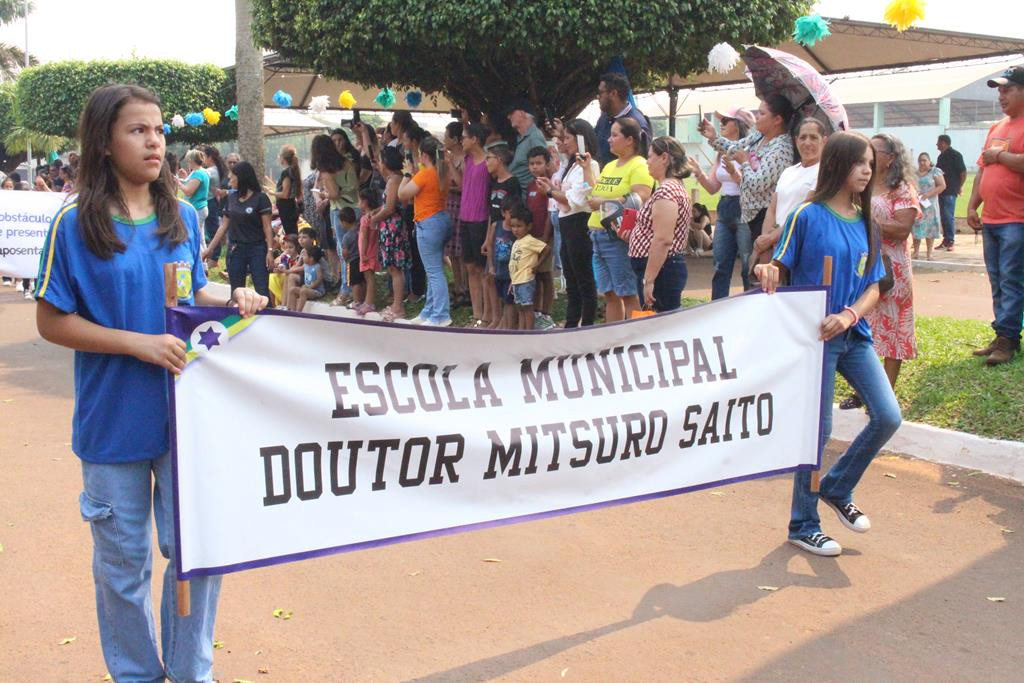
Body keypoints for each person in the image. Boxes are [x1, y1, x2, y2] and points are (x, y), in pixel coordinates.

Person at [34, 82, 267, 682]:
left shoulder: (183, 215)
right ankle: (136, 674)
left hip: (185, 414)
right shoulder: (73, 223)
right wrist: (136, 344)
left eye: (159, 129)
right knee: (123, 562)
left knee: (196, 551)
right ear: (105, 143)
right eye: (138, 130)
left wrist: (234, 297)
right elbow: (51, 320)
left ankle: (192, 671)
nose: (155, 141)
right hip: (112, 419)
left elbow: (193, 290)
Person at [754, 131, 901, 557]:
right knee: (817, 432)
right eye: (859, 163)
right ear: (838, 164)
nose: (867, 171)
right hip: (813, 338)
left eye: (870, 164)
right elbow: (779, 264)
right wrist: (769, 273)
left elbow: (874, 285)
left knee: (888, 416)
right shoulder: (808, 215)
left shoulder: (867, 220)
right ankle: (804, 523)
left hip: (853, 335)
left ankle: (836, 487)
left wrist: (851, 314)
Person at [699, 96, 796, 293]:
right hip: (749, 213)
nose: (757, 118)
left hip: (765, 216)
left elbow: (757, 183)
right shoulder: (758, 137)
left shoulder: (781, 148)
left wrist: (743, 163)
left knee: (756, 268)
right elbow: (735, 148)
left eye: (762, 113)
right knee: (739, 265)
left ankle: (758, 306)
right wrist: (713, 137)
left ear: (777, 119)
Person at [967, 65, 1024, 365]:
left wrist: (1000, 156)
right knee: (998, 279)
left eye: (1007, 89)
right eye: (999, 91)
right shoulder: (996, 128)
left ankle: (1009, 340)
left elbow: (1000, 160)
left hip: (1017, 219)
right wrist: (972, 205)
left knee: (1012, 279)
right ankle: (1002, 332)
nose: (1001, 96)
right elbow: (982, 169)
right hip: (992, 218)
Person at [858, 133, 920, 401]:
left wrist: (866, 222)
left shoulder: (902, 188)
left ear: (891, 158)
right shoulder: (864, 183)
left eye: (875, 149)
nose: (869, 153)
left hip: (892, 268)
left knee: (894, 329)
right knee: (866, 326)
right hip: (865, 263)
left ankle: (886, 394)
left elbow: (903, 229)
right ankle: (866, 392)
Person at [585, 117, 653, 322]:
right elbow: (597, 191)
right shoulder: (610, 165)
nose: (609, 139)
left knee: (627, 291)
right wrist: (587, 169)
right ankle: (613, 339)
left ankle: (637, 338)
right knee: (609, 293)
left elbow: (641, 196)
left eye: (615, 135)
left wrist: (604, 203)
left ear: (630, 140)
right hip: (598, 235)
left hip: (618, 236)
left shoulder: (639, 165)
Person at [689, 107, 751, 298]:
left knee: (748, 265)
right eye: (721, 121)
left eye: (726, 121)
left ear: (739, 124)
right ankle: (717, 308)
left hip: (745, 207)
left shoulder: (748, 150)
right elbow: (712, 187)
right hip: (725, 207)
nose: (721, 124)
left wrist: (734, 172)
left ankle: (751, 307)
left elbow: (752, 183)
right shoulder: (719, 152)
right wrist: (699, 173)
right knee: (720, 265)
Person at [753, 118, 828, 270]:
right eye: (803, 137)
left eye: (813, 137)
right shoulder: (788, 172)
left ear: (824, 141)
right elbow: (772, 209)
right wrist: (765, 241)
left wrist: (770, 238)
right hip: (776, 246)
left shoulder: (824, 173)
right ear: (796, 140)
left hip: (801, 245)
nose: (807, 143)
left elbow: (803, 212)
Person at [629, 136, 692, 312]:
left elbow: (663, 239)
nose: (647, 162)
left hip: (662, 270)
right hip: (663, 268)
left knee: (658, 323)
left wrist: (649, 280)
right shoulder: (673, 187)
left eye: (650, 157)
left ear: (664, 158)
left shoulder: (666, 191)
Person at [399, 135, 453, 326]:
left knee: (434, 272)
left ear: (423, 155)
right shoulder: (442, 172)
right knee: (434, 270)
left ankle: (440, 315)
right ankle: (429, 311)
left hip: (428, 223)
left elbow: (402, 194)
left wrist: (407, 174)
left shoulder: (425, 174)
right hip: (441, 220)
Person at [204, 161, 274, 297]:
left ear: (241, 177)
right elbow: (223, 226)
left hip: (257, 249)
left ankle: (266, 315)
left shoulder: (261, 198)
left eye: (232, 176)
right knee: (236, 292)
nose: (229, 178)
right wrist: (209, 249)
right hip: (236, 250)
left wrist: (270, 251)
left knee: (261, 290)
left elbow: (267, 227)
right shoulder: (232, 198)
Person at [368, 146, 412, 322]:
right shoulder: (391, 180)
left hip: (393, 227)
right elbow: (387, 204)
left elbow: (390, 207)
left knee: (395, 268)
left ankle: (398, 306)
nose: (378, 164)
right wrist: (376, 212)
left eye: (380, 160)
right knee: (392, 268)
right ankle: (396, 303)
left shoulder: (395, 179)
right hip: (389, 227)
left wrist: (375, 218)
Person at [309, 134, 351, 302]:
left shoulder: (328, 169)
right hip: (347, 208)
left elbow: (334, 193)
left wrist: (325, 195)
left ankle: (346, 288)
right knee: (343, 252)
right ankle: (345, 285)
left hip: (339, 209)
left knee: (343, 252)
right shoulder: (344, 162)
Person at [458, 122, 492, 327]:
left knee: (482, 269)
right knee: (470, 266)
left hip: (480, 219)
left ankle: (487, 314)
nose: (462, 140)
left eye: (464, 137)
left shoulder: (488, 162)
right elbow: (462, 184)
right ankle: (477, 313)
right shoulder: (467, 159)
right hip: (465, 217)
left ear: (475, 139)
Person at [483, 146, 521, 329]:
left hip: (507, 234)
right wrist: (486, 238)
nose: (486, 162)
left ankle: (507, 321)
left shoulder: (513, 183)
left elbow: (516, 209)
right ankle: (495, 317)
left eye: (488, 158)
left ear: (498, 159)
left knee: (506, 278)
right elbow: (491, 212)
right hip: (494, 231)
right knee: (490, 276)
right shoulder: (493, 182)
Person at [525, 146, 556, 329]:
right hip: (532, 236)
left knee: (546, 275)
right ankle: (536, 311)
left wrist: (545, 238)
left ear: (547, 163)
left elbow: (549, 212)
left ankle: (547, 313)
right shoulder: (530, 186)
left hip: (545, 237)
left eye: (539, 163)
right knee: (534, 275)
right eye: (532, 164)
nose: (535, 167)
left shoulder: (548, 185)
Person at [506, 201, 550, 329]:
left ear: (528, 226)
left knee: (527, 306)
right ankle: (522, 330)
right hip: (516, 280)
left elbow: (546, 249)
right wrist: (511, 282)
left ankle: (529, 331)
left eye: (519, 226)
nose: (515, 229)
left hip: (525, 279)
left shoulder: (530, 240)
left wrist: (537, 265)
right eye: (513, 226)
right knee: (520, 307)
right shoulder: (516, 242)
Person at [594, 72, 651, 166]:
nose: (598, 97)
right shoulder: (604, 117)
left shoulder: (636, 123)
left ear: (613, 93)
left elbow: (641, 162)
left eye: (600, 93)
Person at [442, 121, 468, 307]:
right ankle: (458, 286)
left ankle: (465, 289)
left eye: (447, 135)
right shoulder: (449, 157)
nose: (444, 139)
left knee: (461, 252)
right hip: (449, 205)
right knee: (452, 251)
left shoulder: (464, 159)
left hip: (461, 206)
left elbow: (463, 185)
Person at [506, 99, 548, 191]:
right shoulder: (519, 138)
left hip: (526, 197)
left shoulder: (535, 137)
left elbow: (544, 167)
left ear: (521, 113)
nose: (508, 117)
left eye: (511, 113)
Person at [935, 134, 967, 251]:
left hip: (950, 190)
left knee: (948, 216)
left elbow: (963, 173)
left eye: (938, 142)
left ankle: (951, 240)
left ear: (943, 143)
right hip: (941, 190)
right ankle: (946, 240)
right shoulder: (941, 157)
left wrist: (959, 186)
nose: (936, 145)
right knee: (943, 216)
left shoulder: (956, 155)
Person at [912, 152, 946, 261]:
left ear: (929, 161)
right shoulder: (914, 174)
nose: (922, 162)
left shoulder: (935, 172)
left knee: (930, 228)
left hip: (930, 205)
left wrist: (928, 195)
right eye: (920, 160)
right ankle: (916, 252)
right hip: (918, 204)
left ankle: (929, 253)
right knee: (917, 227)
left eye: (924, 160)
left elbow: (942, 186)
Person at [355, 188, 381, 316]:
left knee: (369, 278)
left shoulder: (366, 219)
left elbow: (365, 237)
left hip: (367, 252)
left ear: (365, 202)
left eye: (359, 200)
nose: (358, 203)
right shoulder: (373, 216)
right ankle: (367, 301)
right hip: (372, 250)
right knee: (368, 277)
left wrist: (363, 253)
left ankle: (369, 303)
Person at [270, 144, 302, 235]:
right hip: (290, 206)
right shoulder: (292, 171)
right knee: (292, 232)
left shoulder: (286, 172)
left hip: (286, 207)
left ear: (282, 158)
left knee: (290, 233)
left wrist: (271, 193)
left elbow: (285, 194)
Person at [177, 149, 210, 233]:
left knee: (195, 235)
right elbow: (190, 183)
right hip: (199, 207)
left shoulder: (198, 174)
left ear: (191, 161)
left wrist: (177, 182)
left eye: (188, 161)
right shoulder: (199, 171)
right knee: (200, 237)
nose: (187, 163)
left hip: (197, 208)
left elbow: (188, 192)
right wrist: (184, 177)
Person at [337, 207, 362, 307]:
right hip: (360, 259)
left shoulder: (346, 237)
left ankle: (356, 302)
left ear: (344, 222)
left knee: (354, 282)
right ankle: (361, 298)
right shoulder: (359, 231)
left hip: (351, 261)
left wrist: (345, 259)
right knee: (361, 281)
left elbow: (345, 252)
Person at [288, 245, 325, 311]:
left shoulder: (317, 267)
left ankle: (298, 311)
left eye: (304, 256)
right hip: (307, 289)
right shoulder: (305, 265)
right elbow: (294, 270)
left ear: (311, 258)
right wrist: (283, 270)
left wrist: (310, 287)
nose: (302, 258)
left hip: (316, 291)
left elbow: (319, 280)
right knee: (292, 290)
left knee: (303, 291)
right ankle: (291, 310)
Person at [269, 234, 299, 308]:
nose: (288, 250)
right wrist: (279, 270)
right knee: (271, 277)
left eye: (291, 247)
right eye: (286, 248)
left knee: (287, 276)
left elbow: (295, 270)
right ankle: (273, 306)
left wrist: (285, 271)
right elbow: (282, 265)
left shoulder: (299, 257)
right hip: (286, 276)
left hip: (296, 278)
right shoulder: (285, 257)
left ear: (297, 247)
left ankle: (284, 303)